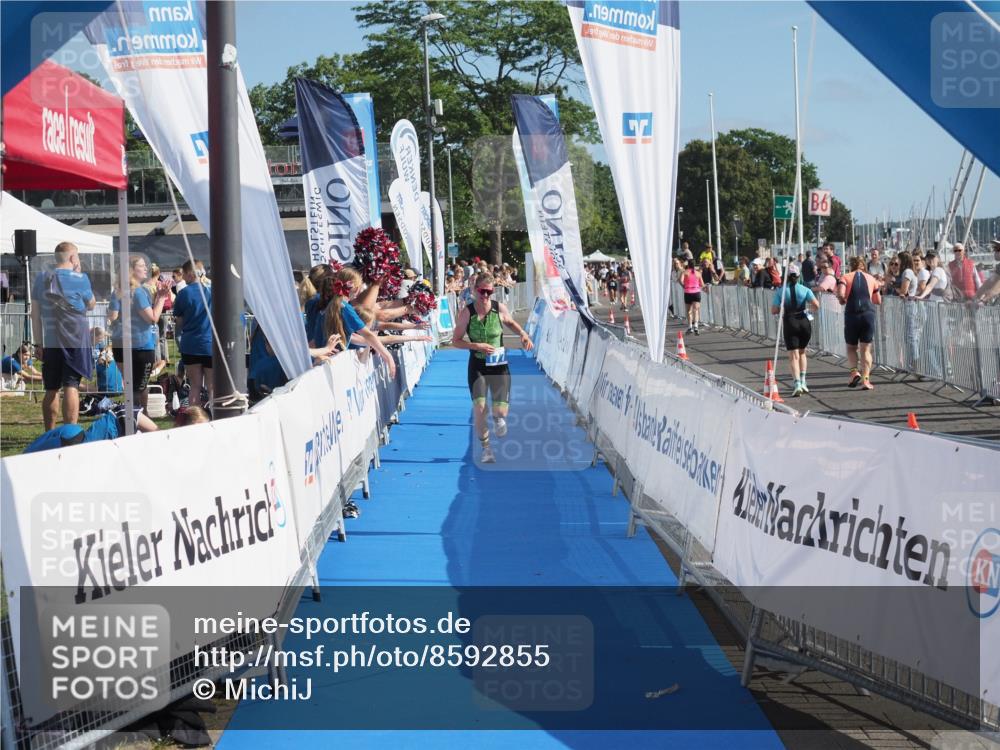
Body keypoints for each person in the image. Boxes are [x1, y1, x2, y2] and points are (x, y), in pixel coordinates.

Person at [451, 271, 534, 464]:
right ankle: (486, 449)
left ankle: (498, 418)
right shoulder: (467, 313)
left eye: (489, 292)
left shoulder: (499, 309)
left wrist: (523, 335)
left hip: (499, 366)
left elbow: (511, 323)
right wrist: (476, 345)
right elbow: (456, 341)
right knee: (480, 408)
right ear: (474, 290)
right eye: (482, 291)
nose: (486, 296)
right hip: (478, 365)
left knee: (501, 412)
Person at [30, 242, 97, 430]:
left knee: (51, 389)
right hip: (75, 340)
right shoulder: (80, 278)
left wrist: (38, 344)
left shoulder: (40, 278)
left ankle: (49, 433)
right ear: (73, 258)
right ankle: (70, 433)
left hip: (51, 341)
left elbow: (35, 314)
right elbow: (91, 304)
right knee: (71, 385)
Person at [108, 256, 171, 411]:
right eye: (142, 266)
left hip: (120, 344)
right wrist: (162, 298)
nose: (146, 269)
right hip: (141, 346)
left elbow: (112, 318)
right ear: (131, 270)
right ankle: (140, 417)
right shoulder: (139, 292)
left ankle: (134, 416)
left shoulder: (117, 291)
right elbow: (152, 318)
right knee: (139, 387)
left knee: (130, 384)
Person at [770, 264, 820, 396]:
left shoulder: (781, 291)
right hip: (804, 321)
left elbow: (774, 310)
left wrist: (781, 308)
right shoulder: (805, 289)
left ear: (786, 276)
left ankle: (797, 383)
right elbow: (816, 305)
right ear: (798, 276)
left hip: (790, 321)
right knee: (802, 352)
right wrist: (808, 310)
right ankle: (803, 381)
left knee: (793, 355)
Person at [836, 256, 882, 391]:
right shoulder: (871, 279)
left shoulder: (845, 277)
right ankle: (866, 380)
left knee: (851, 348)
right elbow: (878, 300)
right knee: (866, 349)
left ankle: (854, 372)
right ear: (863, 266)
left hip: (852, 315)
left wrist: (842, 300)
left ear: (851, 266)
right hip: (868, 315)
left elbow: (841, 293)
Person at [173, 260, 213, 408]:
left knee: (195, 386)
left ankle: (195, 418)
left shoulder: (183, 293)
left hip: (190, 344)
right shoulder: (212, 290)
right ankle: (216, 416)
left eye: (184, 274)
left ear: (190, 274)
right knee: (212, 387)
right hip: (210, 344)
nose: (183, 278)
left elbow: (179, 322)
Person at [681, 259, 704, 334]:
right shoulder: (698, 273)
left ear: (688, 265)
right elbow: (702, 284)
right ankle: (696, 326)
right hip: (696, 292)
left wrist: (684, 286)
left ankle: (690, 327)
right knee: (696, 310)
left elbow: (680, 280)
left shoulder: (685, 272)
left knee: (688, 311)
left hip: (688, 292)